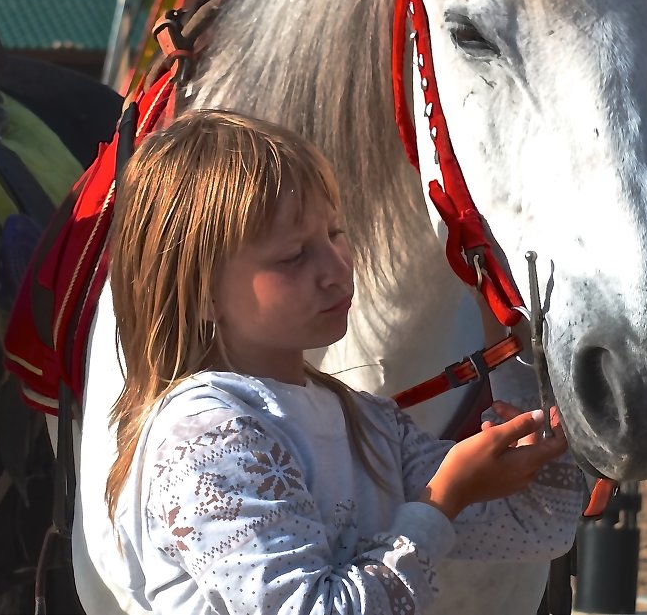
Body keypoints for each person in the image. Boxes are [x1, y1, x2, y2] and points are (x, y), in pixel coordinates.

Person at [104, 109, 583, 614]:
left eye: (335, 233)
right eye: (293, 256)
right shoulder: (204, 436)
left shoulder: (366, 421)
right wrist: (442, 501)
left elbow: (538, 526)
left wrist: (527, 419)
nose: (337, 269)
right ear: (201, 293)